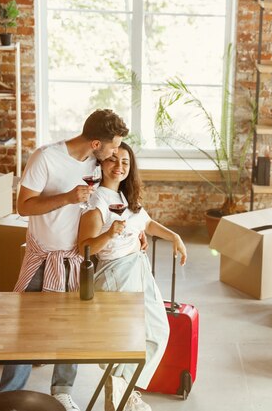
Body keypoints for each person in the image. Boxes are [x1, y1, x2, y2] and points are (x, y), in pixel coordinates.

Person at [0, 109, 129, 411]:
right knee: (25, 328)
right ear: (96, 143)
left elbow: (108, 199)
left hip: (78, 258)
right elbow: (23, 207)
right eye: (112, 147)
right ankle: (9, 394)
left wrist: (135, 230)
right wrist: (67, 198)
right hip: (44, 257)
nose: (115, 154)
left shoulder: (96, 165)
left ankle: (61, 391)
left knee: (73, 328)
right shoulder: (45, 158)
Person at [78, 142, 187, 411]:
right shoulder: (97, 202)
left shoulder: (125, 198)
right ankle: (121, 398)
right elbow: (85, 248)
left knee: (157, 331)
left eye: (125, 162)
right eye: (113, 160)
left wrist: (174, 236)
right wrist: (109, 234)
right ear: (101, 163)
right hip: (115, 273)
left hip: (138, 268)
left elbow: (146, 223)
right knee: (125, 340)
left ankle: (121, 392)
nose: (119, 166)